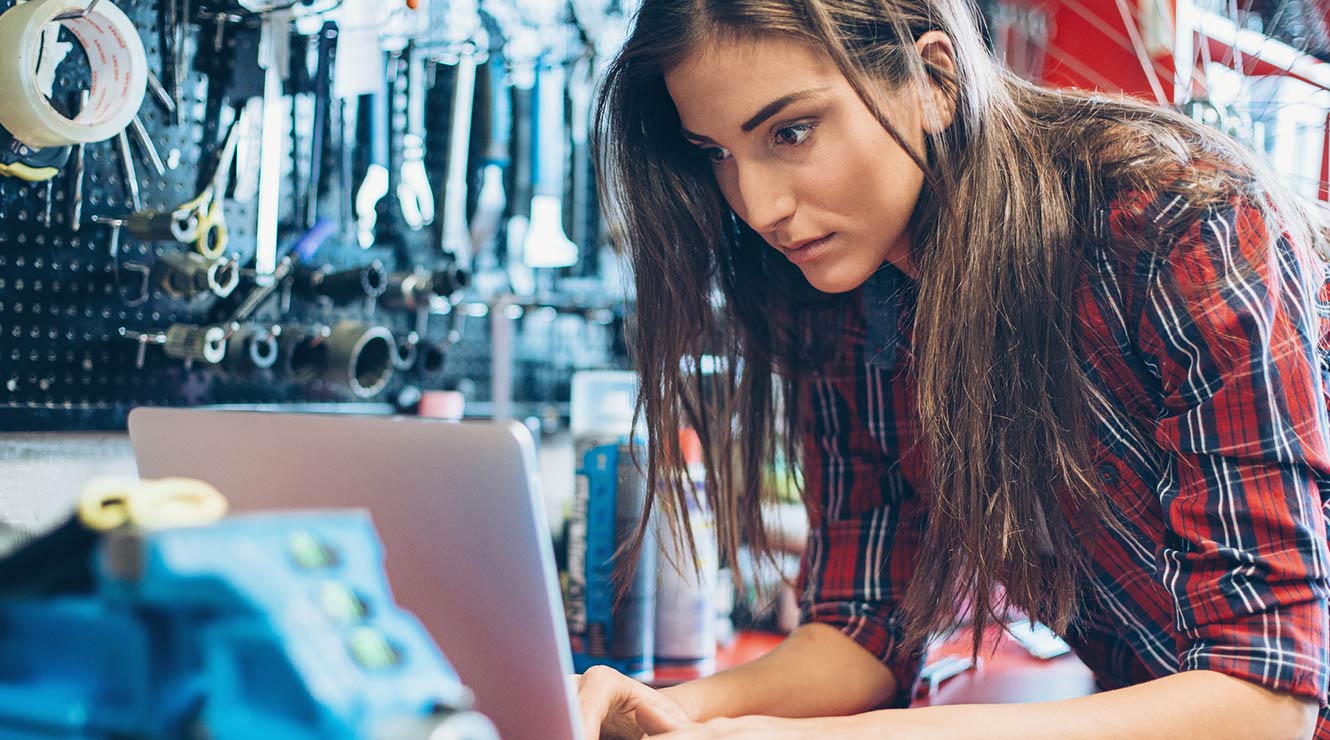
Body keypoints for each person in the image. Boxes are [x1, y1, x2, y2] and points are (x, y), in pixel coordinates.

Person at [580, 0, 1330, 737]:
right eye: (716, 154)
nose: (760, 204)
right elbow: (868, 623)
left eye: (791, 131)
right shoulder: (854, 289)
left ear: (934, 80)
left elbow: (1264, 699)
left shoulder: (1180, 225)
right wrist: (668, 708)